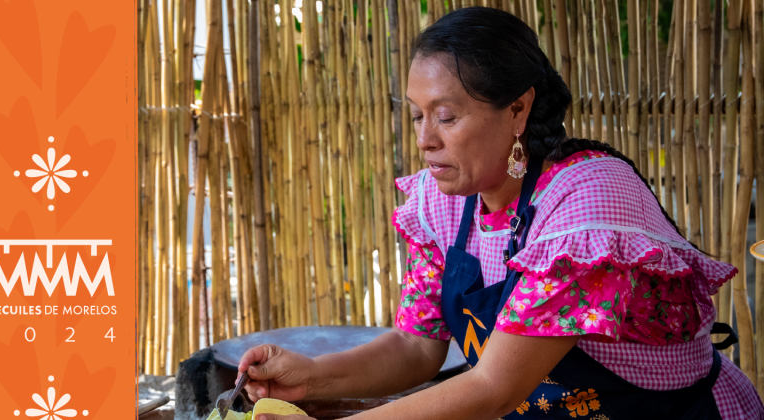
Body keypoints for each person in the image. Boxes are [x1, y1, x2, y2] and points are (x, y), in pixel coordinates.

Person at [236, 7, 763, 419]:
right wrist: (312, 378)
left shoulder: (587, 203)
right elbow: (418, 345)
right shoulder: (440, 203)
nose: (424, 140)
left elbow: (493, 389)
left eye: (445, 116)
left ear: (517, 109)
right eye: (417, 116)